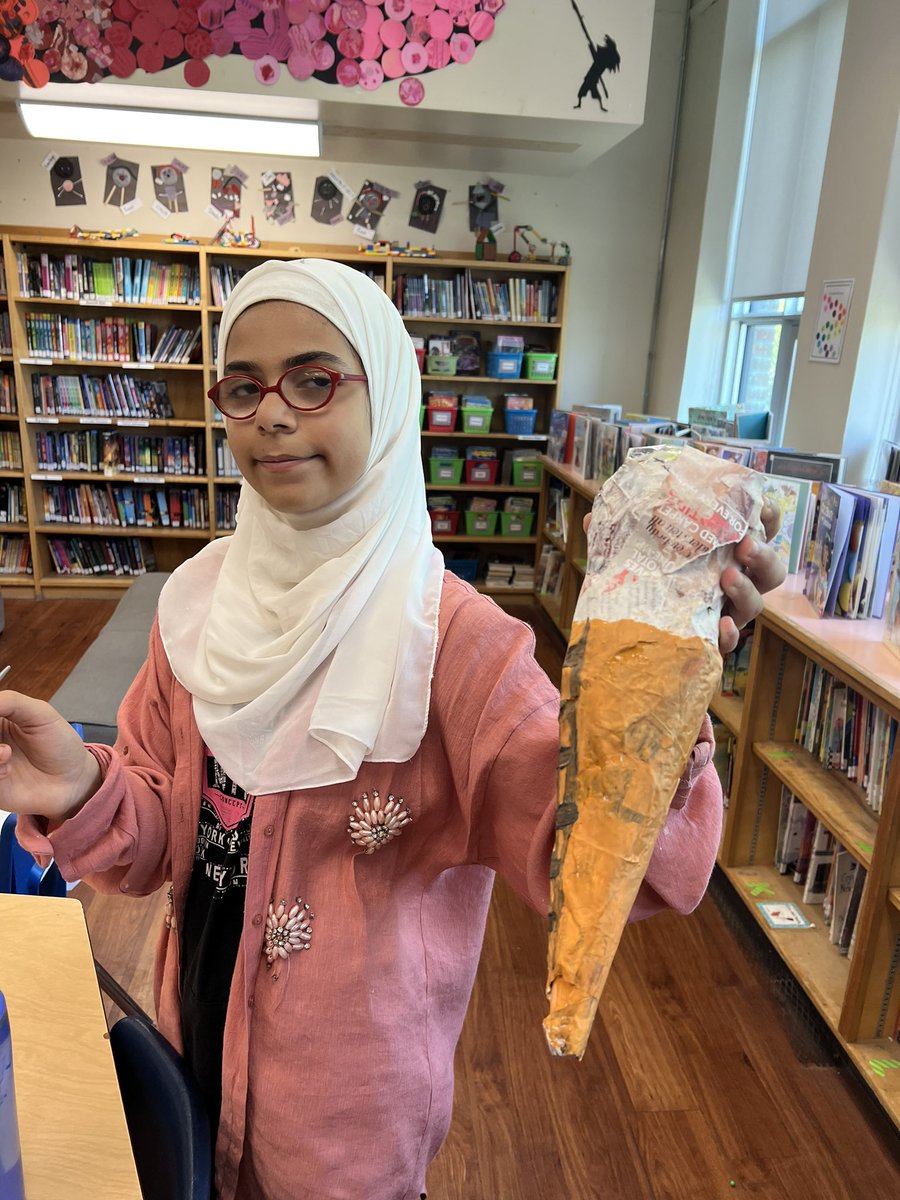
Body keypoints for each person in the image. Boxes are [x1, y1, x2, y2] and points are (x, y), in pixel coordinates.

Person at [0, 259, 784, 1200]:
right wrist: (80, 790)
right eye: (242, 387)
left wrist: (657, 697)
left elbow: (619, 869)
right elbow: (163, 835)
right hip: (196, 1039)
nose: (272, 414)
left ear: (391, 397)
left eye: (314, 378)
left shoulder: (457, 647)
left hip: (347, 1132)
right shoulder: (198, 612)